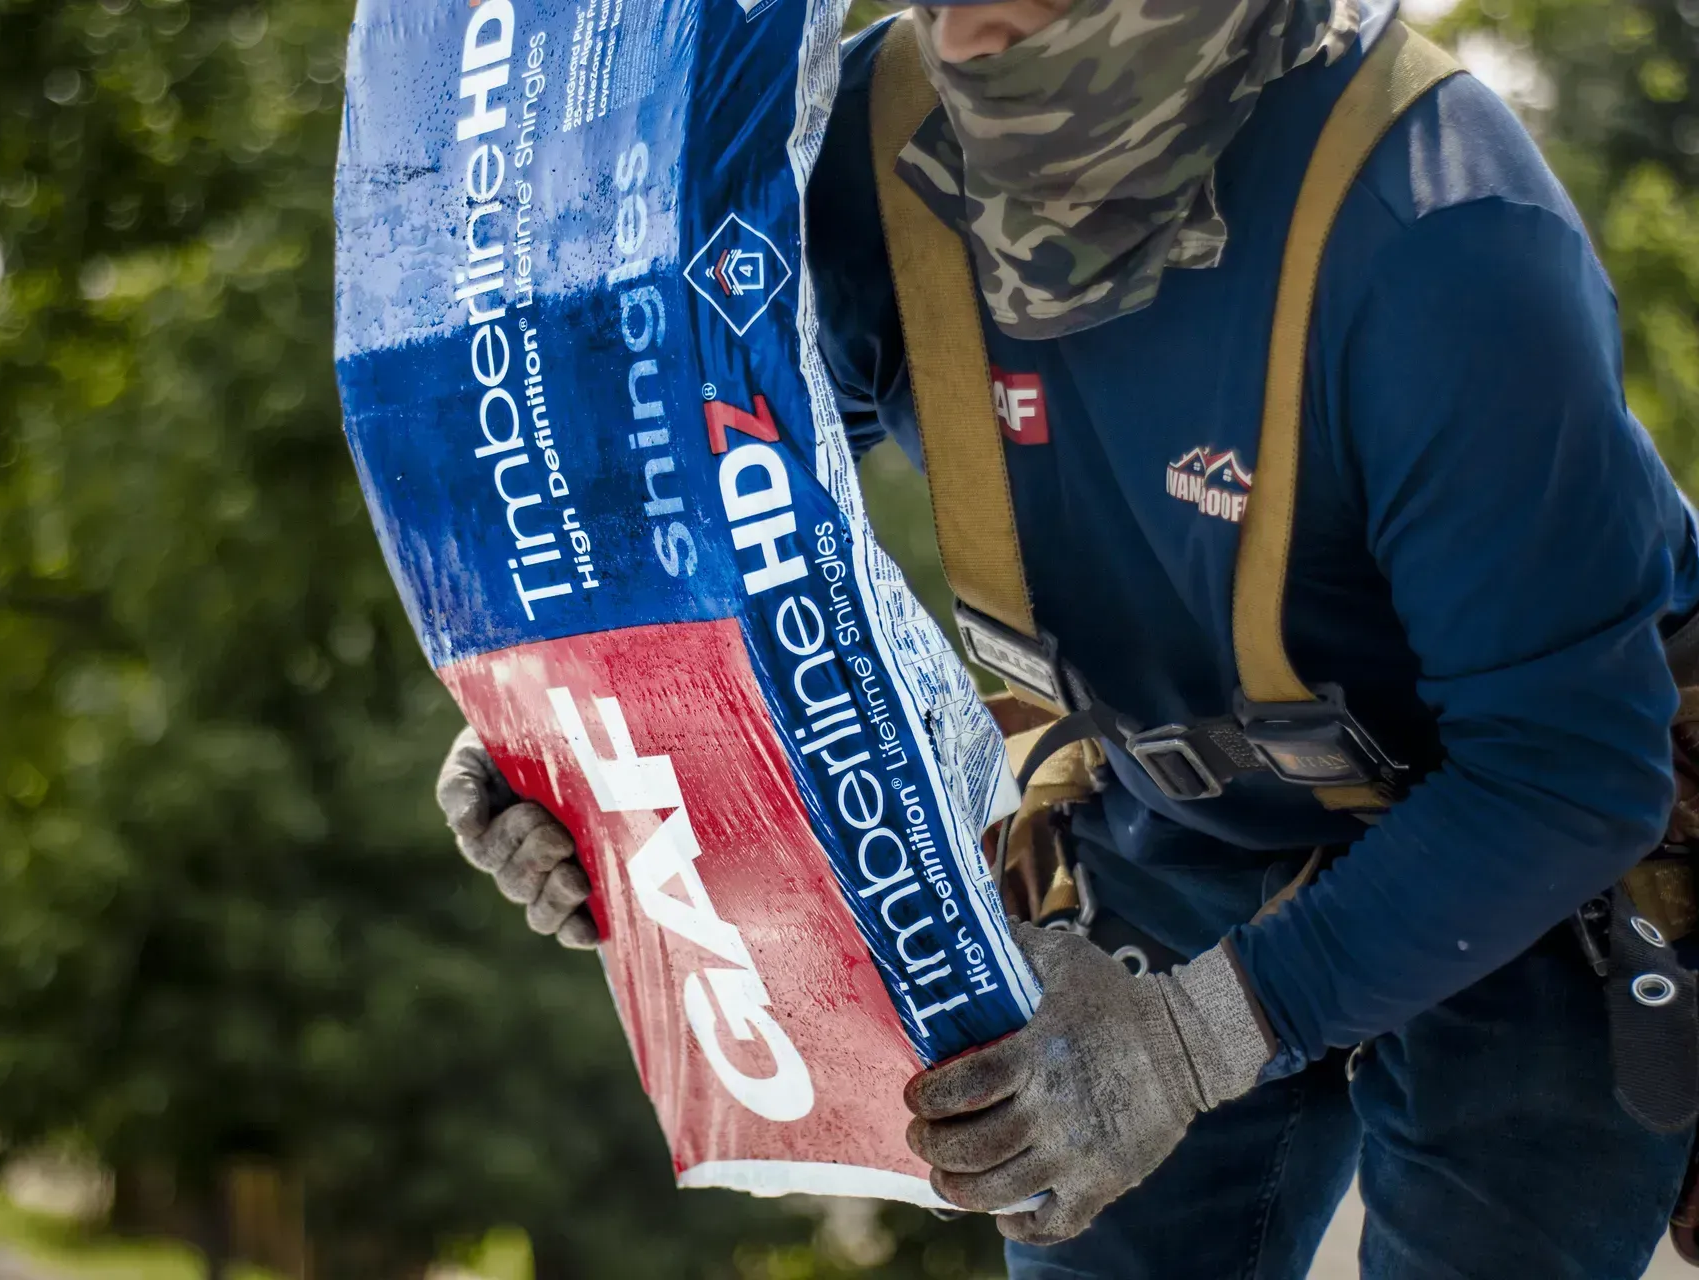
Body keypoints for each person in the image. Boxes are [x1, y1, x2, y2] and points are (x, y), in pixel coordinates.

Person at [436, 0, 1699, 1274]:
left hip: (1534, 853)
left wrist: (1190, 1041)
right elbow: (684, 526)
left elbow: (1568, 770)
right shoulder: (876, 154)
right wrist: (583, 728)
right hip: (1174, 801)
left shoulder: (1446, 239)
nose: (967, 26)